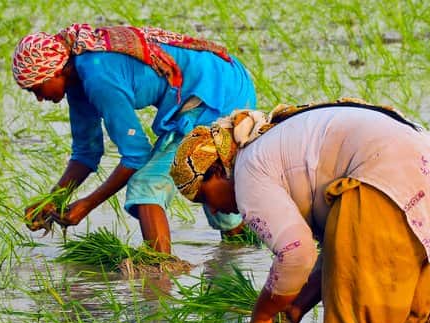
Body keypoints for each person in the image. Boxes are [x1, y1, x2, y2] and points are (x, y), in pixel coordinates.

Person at [169, 98, 430, 323]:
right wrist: (291, 312)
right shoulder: (273, 146)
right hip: (425, 170)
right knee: (412, 317)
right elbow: (340, 255)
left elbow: (297, 254)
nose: (214, 211)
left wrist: (260, 316)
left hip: (380, 179)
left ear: (215, 171)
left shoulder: (248, 170)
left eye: (204, 198)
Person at [13, 23, 256, 253]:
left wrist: (87, 204)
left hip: (216, 92)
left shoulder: (98, 75)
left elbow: (136, 154)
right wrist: (53, 199)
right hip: (221, 82)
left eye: (36, 89)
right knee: (211, 180)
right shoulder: (79, 81)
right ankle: (243, 255)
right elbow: (86, 153)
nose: (39, 98)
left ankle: (158, 277)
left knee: (146, 184)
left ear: (55, 71)